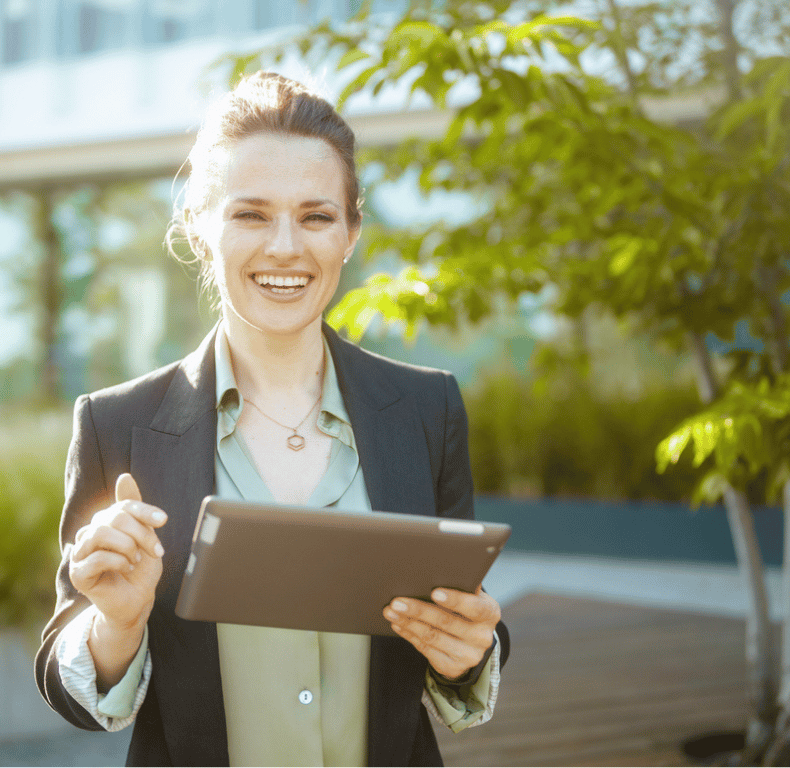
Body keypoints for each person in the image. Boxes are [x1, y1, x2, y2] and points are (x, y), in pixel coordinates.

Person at [35, 71, 509, 767]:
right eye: (251, 214)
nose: (285, 247)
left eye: (316, 216)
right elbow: (73, 687)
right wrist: (117, 621)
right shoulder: (118, 426)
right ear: (199, 229)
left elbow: (458, 649)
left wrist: (469, 656)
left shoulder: (427, 409)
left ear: (350, 233)